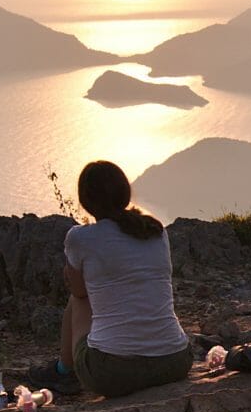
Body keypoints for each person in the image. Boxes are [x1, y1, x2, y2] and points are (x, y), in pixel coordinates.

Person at [61, 160, 193, 397]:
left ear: (86, 200)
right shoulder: (155, 230)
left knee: (77, 300)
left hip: (113, 372)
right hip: (175, 361)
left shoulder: (80, 238)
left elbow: (79, 291)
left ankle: (64, 371)